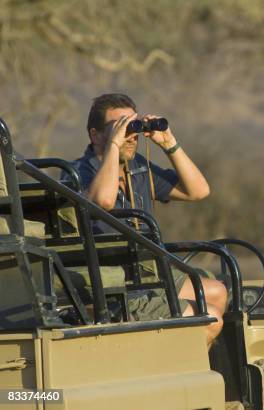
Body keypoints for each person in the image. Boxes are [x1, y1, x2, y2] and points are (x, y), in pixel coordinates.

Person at [70, 93, 226, 346]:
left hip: (144, 270)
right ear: (95, 135)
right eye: (118, 127)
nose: (130, 135)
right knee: (210, 319)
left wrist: (169, 144)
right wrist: (114, 147)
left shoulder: (138, 169)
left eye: (132, 125)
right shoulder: (79, 173)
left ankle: (189, 371)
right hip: (114, 281)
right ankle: (180, 378)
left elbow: (198, 191)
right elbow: (103, 201)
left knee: (217, 293)